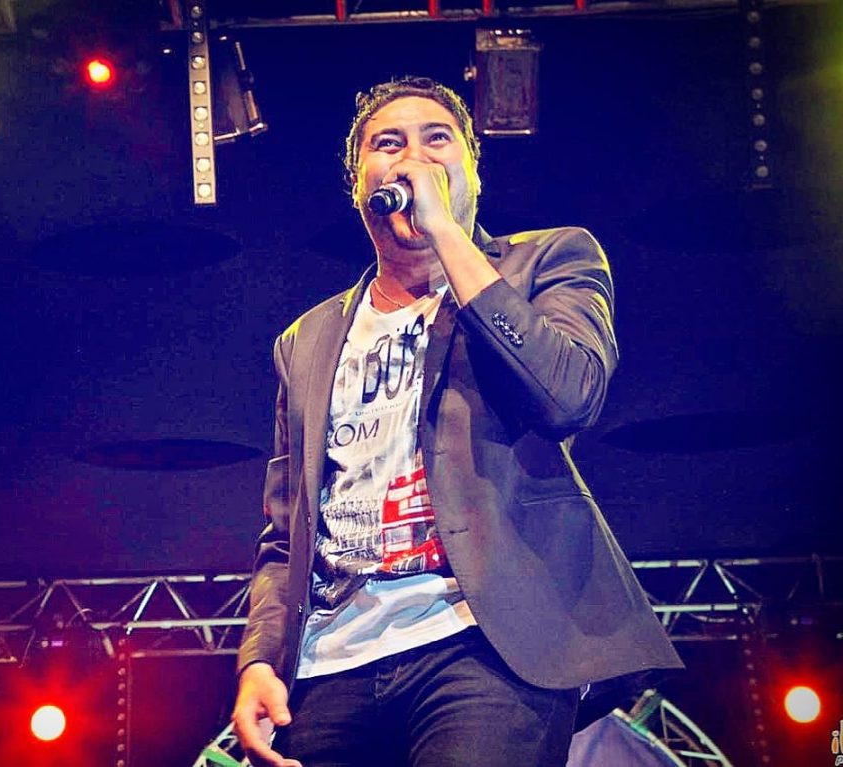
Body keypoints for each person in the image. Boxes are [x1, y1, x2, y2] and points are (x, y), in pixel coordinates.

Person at [231, 76, 682, 767]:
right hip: (330, 664)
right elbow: (285, 532)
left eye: (436, 139)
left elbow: (567, 396)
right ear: (359, 183)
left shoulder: (550, 259)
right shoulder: (306, 339)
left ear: (472, 172)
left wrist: (445, 231)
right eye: (389, 143)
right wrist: (260, 659)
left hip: (485, 646)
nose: (413, 156)